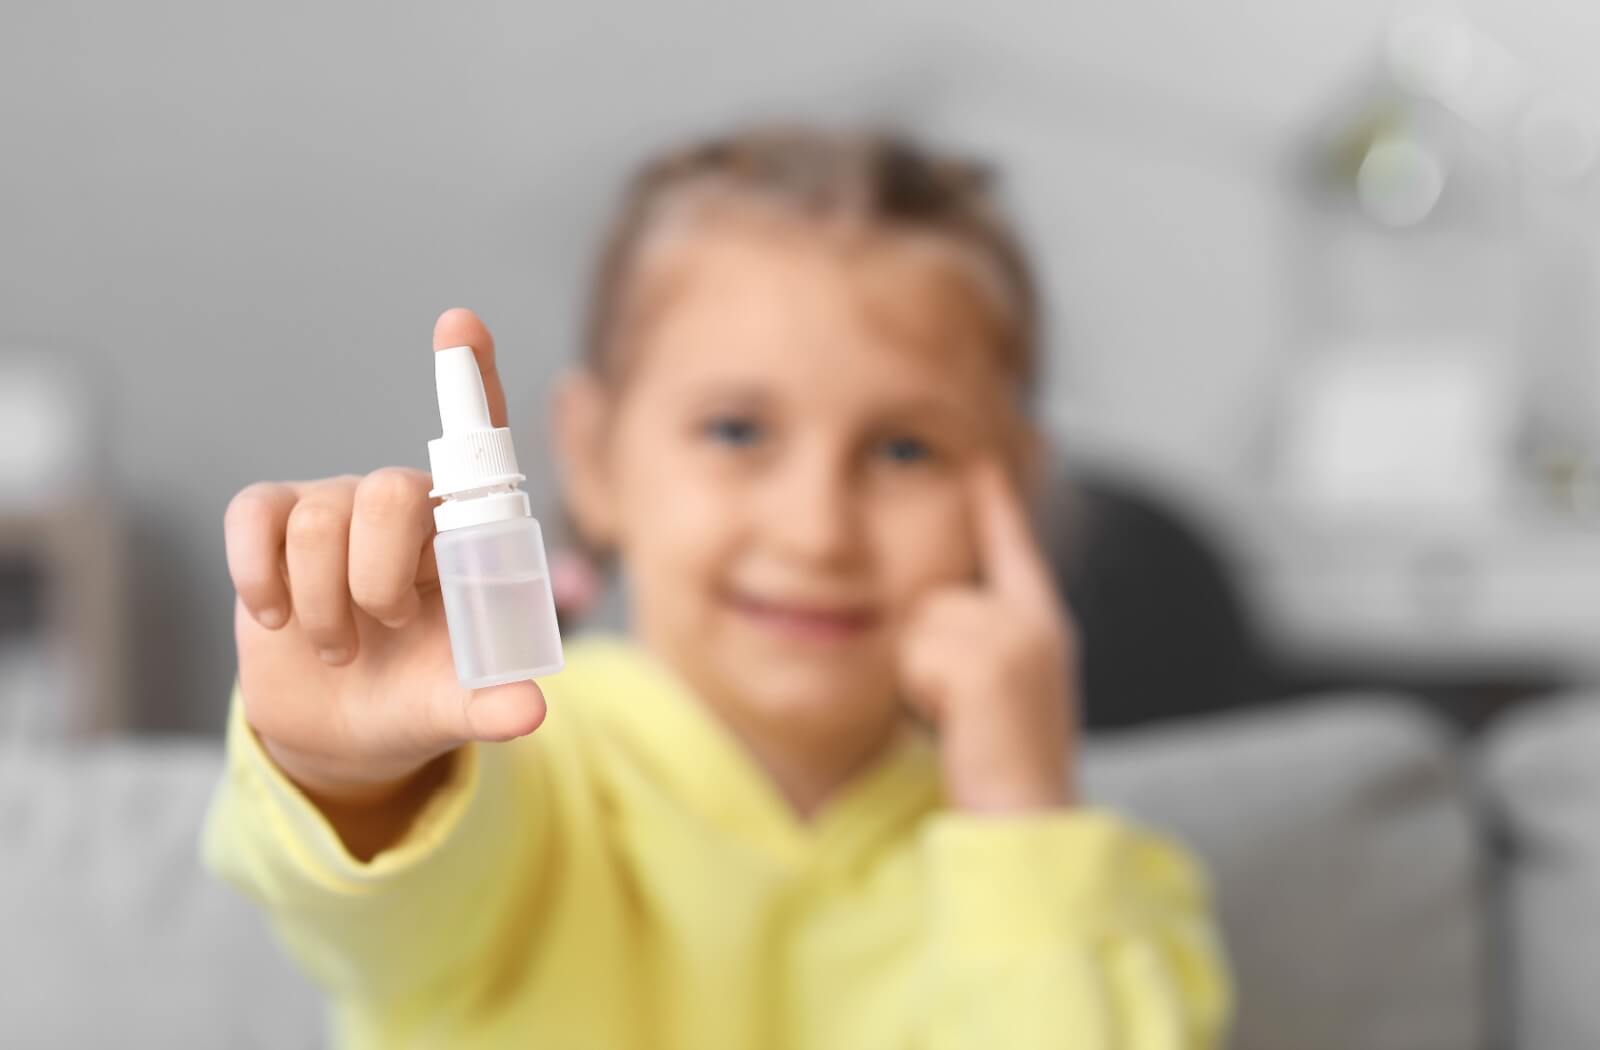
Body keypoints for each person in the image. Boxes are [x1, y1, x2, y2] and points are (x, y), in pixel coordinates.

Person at [204, 126, 1231, 1049]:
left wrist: (1020, 815)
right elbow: (389, 898)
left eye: (904, 449)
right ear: (596, 460)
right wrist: (355, 777)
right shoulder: (524, 779)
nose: (817, 529)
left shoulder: (1092, 886)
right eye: (737, 431)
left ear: (1006, 493)